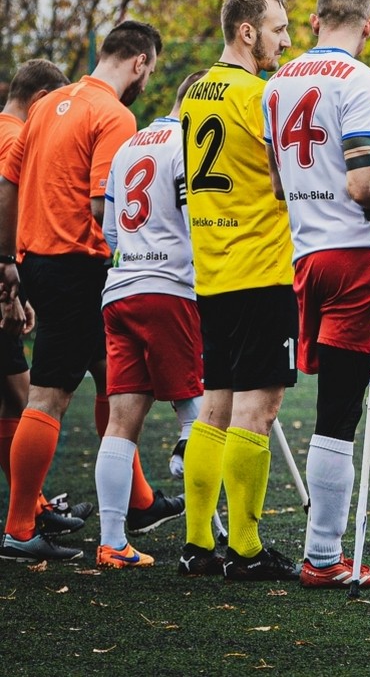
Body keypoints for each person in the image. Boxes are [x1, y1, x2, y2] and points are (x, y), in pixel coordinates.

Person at [0, 22, 184, 563]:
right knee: (48, 396)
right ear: (141, 62)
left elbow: (9, 184)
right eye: (149, 69)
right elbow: (105, 205)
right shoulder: (114, 114)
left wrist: (7, 259)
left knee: (115, 376)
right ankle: (19, 529)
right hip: (78, 265)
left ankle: (139, 501)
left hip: (37, 261)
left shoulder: (45, 105)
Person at [262, 0, 370, 590]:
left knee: (314, 405)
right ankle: (323, 557)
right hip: (350, 258)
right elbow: (362, 183)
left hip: (304, 256)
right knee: (339, 411)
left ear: (314, 21)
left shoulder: (277, 82)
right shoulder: (362, 80)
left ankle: (315, 551)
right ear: (368, 26)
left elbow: (276, 184)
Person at [179, 0, 300, 581]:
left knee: (215, 407)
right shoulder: (260, 94)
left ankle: (198, 543)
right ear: (247, 32)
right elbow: (282, 181)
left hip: (213, 270)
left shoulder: (195, 93)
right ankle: (247, 550)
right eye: (279, 29)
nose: (287, 41)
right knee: (259, 407)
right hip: (260, 267)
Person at [93, 70, 208, 568]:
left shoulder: (128, 146)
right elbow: (194, 221)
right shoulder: (188, 145)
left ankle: (112, 542)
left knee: (121, 422)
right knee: (197, 411)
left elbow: (108, 232)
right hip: (169, 291)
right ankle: (205, 538)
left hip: (120, 293)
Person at [0, 59, 78, 536]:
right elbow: (6, 200)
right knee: (29, 398)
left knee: (12, 400)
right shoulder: (15, 137)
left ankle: (34, 507)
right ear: (41, 99)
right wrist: (9, 282)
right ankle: (27, 517)